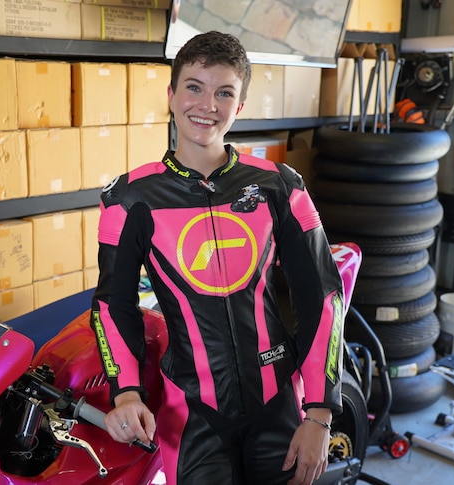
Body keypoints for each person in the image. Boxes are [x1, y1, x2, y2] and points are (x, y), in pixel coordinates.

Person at [89, 31, 345, 485]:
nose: (207, 104)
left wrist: (320, 413)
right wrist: (125, 392)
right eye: (194, 87)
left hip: (279, 404)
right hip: (190, 416)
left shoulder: (281, 187)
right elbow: (114, 306)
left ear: (240, 105)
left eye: (224, 92)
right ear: (171, 95)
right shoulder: (129, 199)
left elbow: (322, 296)